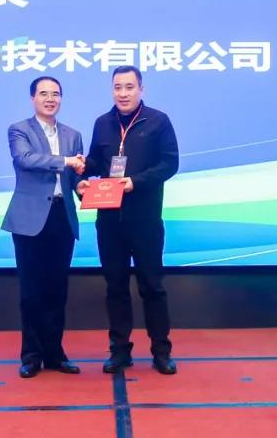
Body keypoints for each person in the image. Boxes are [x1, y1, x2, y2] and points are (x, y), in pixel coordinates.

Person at [78, 65, 179, 375]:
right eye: (118, 87)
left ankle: (161, 351)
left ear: (141, 89)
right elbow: (97, 162)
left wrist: (136, 181)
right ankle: (120, 351)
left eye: (129, 87)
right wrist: (82, 173)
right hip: (109, 221)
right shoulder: (102, 123)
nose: (123, 93)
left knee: (152, 286)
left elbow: (170, 164)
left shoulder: (158, 121)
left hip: (145, 220)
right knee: (115, 287)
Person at [2, 76, 86, 378]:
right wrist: (68, 161)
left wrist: (83, 186)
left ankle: (54, 354)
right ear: (33, 98)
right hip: (29, 220)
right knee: (31, 291)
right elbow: (26, 160)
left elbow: (75, 178)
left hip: (62, 216)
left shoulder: (73, 135)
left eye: (56, 94)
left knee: (56, 289)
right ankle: (31, 355)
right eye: (44, 94)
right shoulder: (19, 130)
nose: (50, 99)